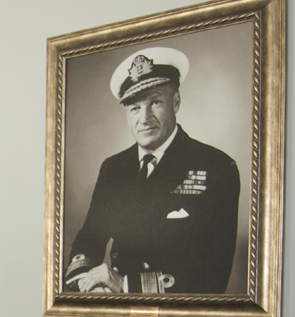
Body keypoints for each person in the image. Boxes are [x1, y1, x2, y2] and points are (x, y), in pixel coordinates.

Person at [65, 47, 240, 294]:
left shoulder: (217, 167)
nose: (144, 118)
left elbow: (212, 274)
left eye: (155, 102)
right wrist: (88, 283)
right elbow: (89, 240)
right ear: (127, 115)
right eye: (135, 108)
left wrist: (125, 285)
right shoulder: (113, 168)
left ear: (175, 102)